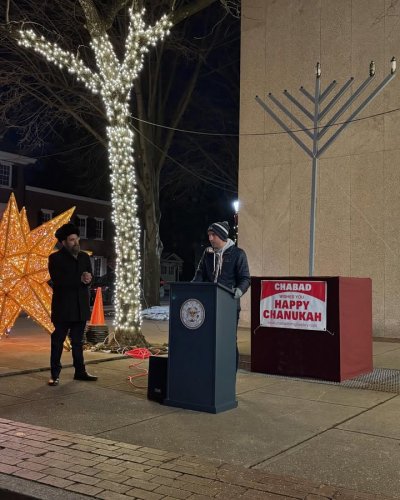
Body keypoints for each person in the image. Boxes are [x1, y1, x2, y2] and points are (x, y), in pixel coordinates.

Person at [192, 221, 250, 368]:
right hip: (209, 304)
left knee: (229, 339)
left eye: (214, 235)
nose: (210, 238)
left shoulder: (238, 254)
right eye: (209, 235)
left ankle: (231, 371)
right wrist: (191, 289)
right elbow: (200, 275)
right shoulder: (207, 253)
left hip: (228, 306)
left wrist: (239, 291)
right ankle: (211, 368)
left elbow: (245, 278)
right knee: (209, 338)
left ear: (223, 236)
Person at [47, 223, 98, 386]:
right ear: (63, 242)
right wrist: (80, 279)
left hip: (80, 307)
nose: (75, 242)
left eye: (76, 239)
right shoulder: (55, 258)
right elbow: (58, 281)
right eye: (71, 240)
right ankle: (55, 374)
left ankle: (80, 371)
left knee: (78, 342)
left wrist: (89, 280)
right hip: (63, 308)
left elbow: (90, 277)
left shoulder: (84, 256)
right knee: (58, 341)